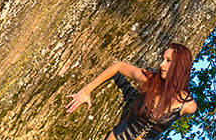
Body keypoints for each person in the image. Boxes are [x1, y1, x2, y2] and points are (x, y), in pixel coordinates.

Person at [66, 43, 198, 139]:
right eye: (163, 59)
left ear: (180, 66)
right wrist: (87, 90)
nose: (161, 64)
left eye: (168, 60)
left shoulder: (188, 106)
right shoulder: (149, 80)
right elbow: (119, 66)